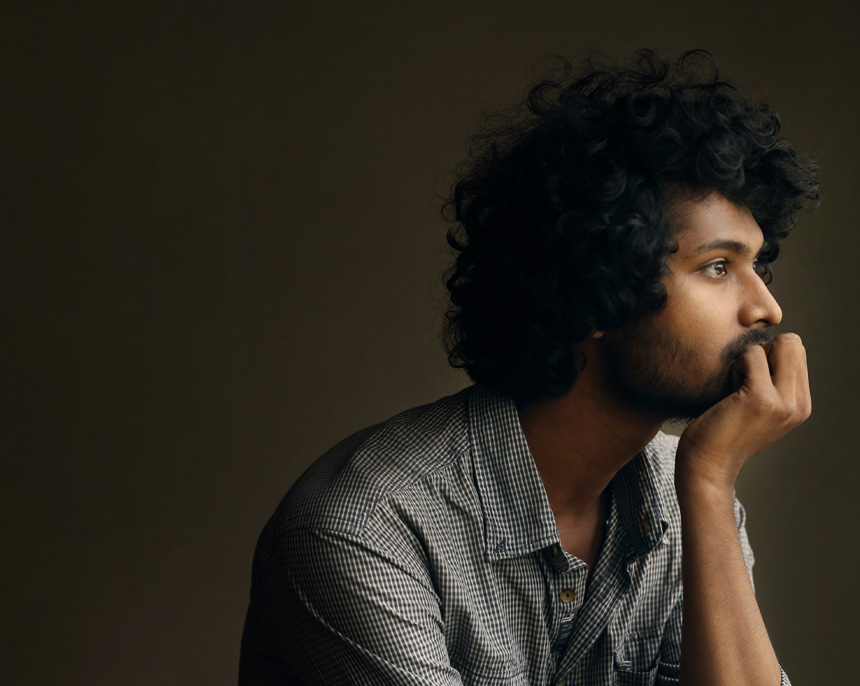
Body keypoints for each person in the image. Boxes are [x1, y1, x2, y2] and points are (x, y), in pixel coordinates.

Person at [239, 48, 819, 685]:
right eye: (717, 267)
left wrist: (709, 486)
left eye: (756, 267)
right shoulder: (363, 531)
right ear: (599, 286)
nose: (767, 307)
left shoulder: (690, 501)